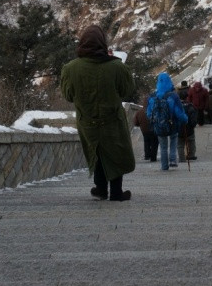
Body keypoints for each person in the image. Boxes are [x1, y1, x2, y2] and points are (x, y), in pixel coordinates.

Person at [60, 25, 136, 201]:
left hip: (87, 121)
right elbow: (127, 89)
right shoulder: (116, 66)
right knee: (115, 152)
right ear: (102, 43)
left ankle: (100, 189)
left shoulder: (70, 69)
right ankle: (116, 191)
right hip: (113, 120)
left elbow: (68, 95)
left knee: (97, 152)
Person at [148, 72, 189, 171]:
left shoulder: (153, 96)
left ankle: (164, 166)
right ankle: (173, 160)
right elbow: (179, 112)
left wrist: (156, 121)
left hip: (159, 125)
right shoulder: (173, 96)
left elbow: (149, 113)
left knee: (163, 146)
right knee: (174, 140)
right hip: (172, 123)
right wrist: (185, 119)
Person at [134, 96, 158, 163]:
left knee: (146, 142)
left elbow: (136, 123)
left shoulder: (139, 112)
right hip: (154, 129)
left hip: (144, 130)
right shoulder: (154, 110)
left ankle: (147, 155)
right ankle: (153, 157)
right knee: (154, 143)